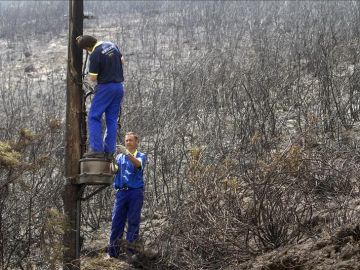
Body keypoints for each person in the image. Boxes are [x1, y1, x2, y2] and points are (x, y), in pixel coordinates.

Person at [76, 35, 124, 158]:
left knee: (93, 116)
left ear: (87, 47)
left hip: (106, 87)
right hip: (119, 87)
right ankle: (109, 151)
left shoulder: (95, 54)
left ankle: (97, 149)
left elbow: (93, 77)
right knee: (112, 119)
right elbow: (122, 60)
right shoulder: (112, 45)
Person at [108, 132, 147, 258]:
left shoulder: (141, 156)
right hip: (121, 193)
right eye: (126, 140)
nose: (128, 142)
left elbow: (138, 164)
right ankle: (113, 254)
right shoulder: (120, 157)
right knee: (116, 222)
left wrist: (127, 153)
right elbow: (114, 170)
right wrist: (110, 159)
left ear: (136, 142)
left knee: (133, 222)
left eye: (130, 140)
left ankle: (131, 254)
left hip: (135, 192)